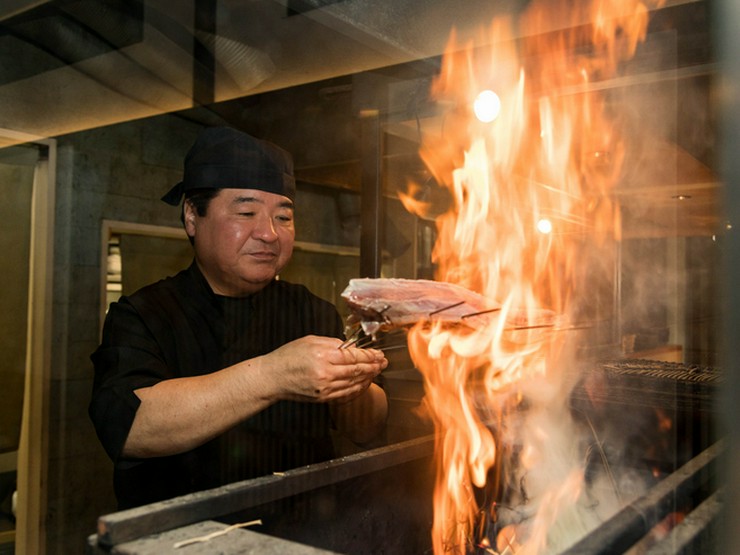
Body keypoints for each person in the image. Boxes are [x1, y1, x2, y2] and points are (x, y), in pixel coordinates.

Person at [89, 126, 389, 509]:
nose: (269, 233)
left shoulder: (311, 310)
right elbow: (130, 429)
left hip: (308, 528)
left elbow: (367, 430)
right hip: (190, 534)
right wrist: (273, 376)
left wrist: (354, 386)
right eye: (246, 212)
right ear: (192, 217)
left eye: (283, 217)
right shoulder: (143, 314)